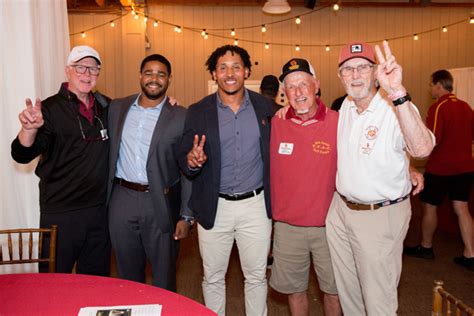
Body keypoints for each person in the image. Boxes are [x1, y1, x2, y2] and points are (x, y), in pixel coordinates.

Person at [325, 41, 434, 315]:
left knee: (378, 304)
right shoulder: (346, 107)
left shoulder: (396, 106)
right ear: (340, 77)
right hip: (341, 212)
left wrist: (397, 90)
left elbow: (421, 148)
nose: (355, 75)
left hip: (379, 215)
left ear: (375, 72)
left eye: (363, 67)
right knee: (349, 297)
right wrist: (405, 167)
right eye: (348, 69)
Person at [179, 45, 273, 315]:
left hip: (256, 207)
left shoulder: (267, 108)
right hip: (214, 206)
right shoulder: (198, 111)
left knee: (256, 277)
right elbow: (184, 156)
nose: (229, 73)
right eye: (222, 67)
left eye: (236, 67)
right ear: (214, 74)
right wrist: (191, 160)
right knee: (213, 277)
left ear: (247, 71)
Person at [11, 45, 111, 275]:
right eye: (80, 67)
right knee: (54, 282)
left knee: (96, 282)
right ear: (68, 71)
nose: (87, 74)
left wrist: (167, 103)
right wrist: (28, 130)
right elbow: (21, 154)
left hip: (98, 212)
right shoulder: (49, 109)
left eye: (93, 69)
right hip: (60, 213)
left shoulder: (106, 107)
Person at [107, 54, 193, 291]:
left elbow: (189, 169)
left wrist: (186, 216)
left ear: (169, 80)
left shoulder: (182, 116)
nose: (154, 79)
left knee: (164, 274)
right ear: (140, 76)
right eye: (149, 73)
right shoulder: (116, 107)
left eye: (161, 74)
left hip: (160, 202)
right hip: (121, 199)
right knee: (126, 273)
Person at [270, 58, 342, 316]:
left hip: (330, 227)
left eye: (304, 84)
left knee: (334, 291)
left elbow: (369, 152)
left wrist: (408, 167)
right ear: (284, 92)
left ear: (316, 86)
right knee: (294, 290)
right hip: (288, 228)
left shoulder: (339, 122)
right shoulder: (275, 122)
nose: (298, 92)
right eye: (291, 86)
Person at [404, 69, 473, 271]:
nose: (430, 89)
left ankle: (426, 247)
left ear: (438, 85)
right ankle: (470, 253)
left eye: (431, 84)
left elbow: (430, 140)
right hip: (466, 167)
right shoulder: (466, 106)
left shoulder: (438, 108)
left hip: (441, 168)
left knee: (429, 207)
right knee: (462, 208)